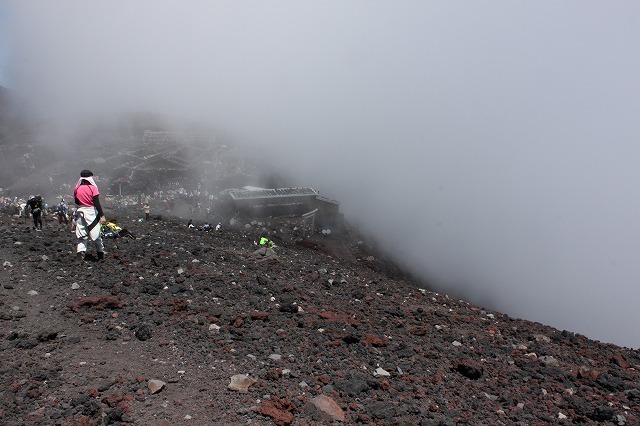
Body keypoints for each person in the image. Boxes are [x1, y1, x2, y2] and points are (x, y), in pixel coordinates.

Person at [73, 170, 106, 262]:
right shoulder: (93, 188)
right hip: (91, 212)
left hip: (80, 212)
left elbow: (76, 202)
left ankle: (80, 254)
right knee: (96, 235)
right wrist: (102, 215)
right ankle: (100, 253)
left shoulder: (77, 188)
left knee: (81, 234)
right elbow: (97, 203)